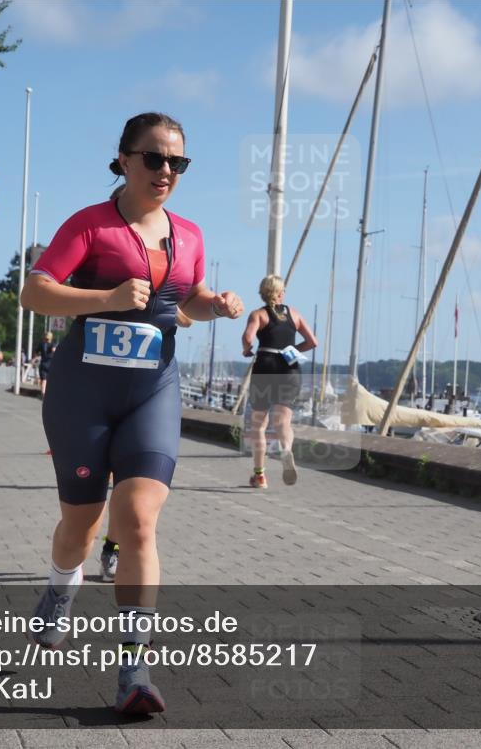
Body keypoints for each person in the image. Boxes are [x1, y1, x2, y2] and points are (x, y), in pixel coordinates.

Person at [19, 112, 243, 714]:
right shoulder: (89, 225)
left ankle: (135, 669)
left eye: (178, 162)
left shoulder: (190, 234)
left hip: (152, 389)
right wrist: (107, 299)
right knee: (81, 528)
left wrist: (215, 306)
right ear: (122, 160)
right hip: (82, 394)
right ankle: (61, 590)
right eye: (154, 158)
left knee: (138, 518)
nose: (166, 171)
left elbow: (184, 296)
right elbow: (34, 292)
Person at [242, 275, 317, 489]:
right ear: (280, 292)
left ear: (263, 292)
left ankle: (260, 476)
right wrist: (292, 351)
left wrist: (246, 350)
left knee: (259, 424)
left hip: (265, 366)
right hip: (289, 368)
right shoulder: (294, 314)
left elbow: (248, 338)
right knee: (283, 421)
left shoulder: (258, 314)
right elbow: (313, 341)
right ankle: (286, 450)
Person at [37, 331, 57, 398]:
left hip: (43, 364)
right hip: (50, 364)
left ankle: (43, 393)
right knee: (47, 380)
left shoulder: (41, 344)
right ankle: (45, 393)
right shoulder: (52, 344)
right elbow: (54, 350)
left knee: (43, 379)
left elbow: (37, 352)